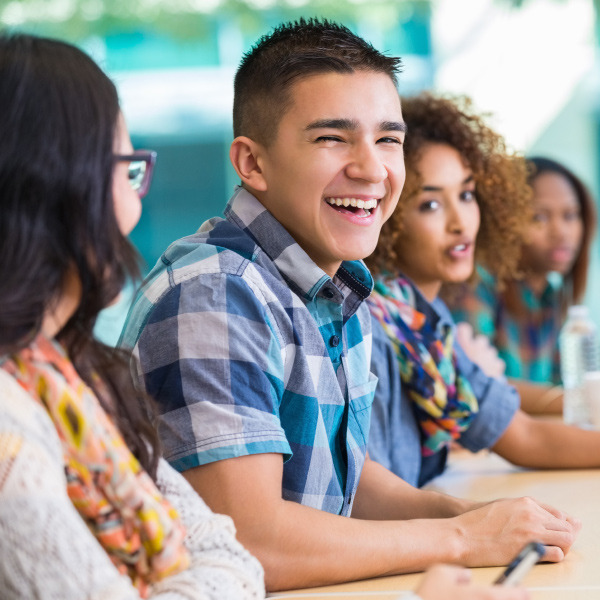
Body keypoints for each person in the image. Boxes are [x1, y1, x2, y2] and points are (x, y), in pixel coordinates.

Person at [120, 20, 578, 592]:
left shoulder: (336, 285)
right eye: (332, 138)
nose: (373, 169)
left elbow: (340, 479)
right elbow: (250, 541)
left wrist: (466, 517)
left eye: (388, 139)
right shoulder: (217, 293)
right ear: (252, 163)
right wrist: (465, 538)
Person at [0, 33, 265, 599]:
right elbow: (239, 558)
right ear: (61, 184)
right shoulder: (10, 421)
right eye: (127, 167)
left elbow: (225, 547)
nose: (134, 202)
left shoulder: (76, 375)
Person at [365, 92, 600, 491]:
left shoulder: (427, 326)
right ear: (386, 213)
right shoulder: (370, 323)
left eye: (467, 195)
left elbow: (527, 437)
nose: (461, 223)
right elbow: (366, 500)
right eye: (431, 205)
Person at [449, 156, 597, 414]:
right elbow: (475, 384)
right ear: (506, 224)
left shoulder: (552, 295)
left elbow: (561, 382)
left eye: (571, 216)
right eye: (539, 217)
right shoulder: (477, 282)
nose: (561, 232)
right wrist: (578, 402)